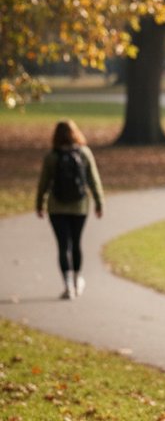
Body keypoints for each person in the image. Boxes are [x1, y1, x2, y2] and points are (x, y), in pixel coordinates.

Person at [35, 119, 104, 300]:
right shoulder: (84, 153)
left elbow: (44, 183)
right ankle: (77, 280)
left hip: (56, 206)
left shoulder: (52, 156)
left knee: (62, 246)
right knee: (76, 243)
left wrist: (39, 204)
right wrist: (99, 202)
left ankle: (67, 286)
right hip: (79, 206)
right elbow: (93, 179)